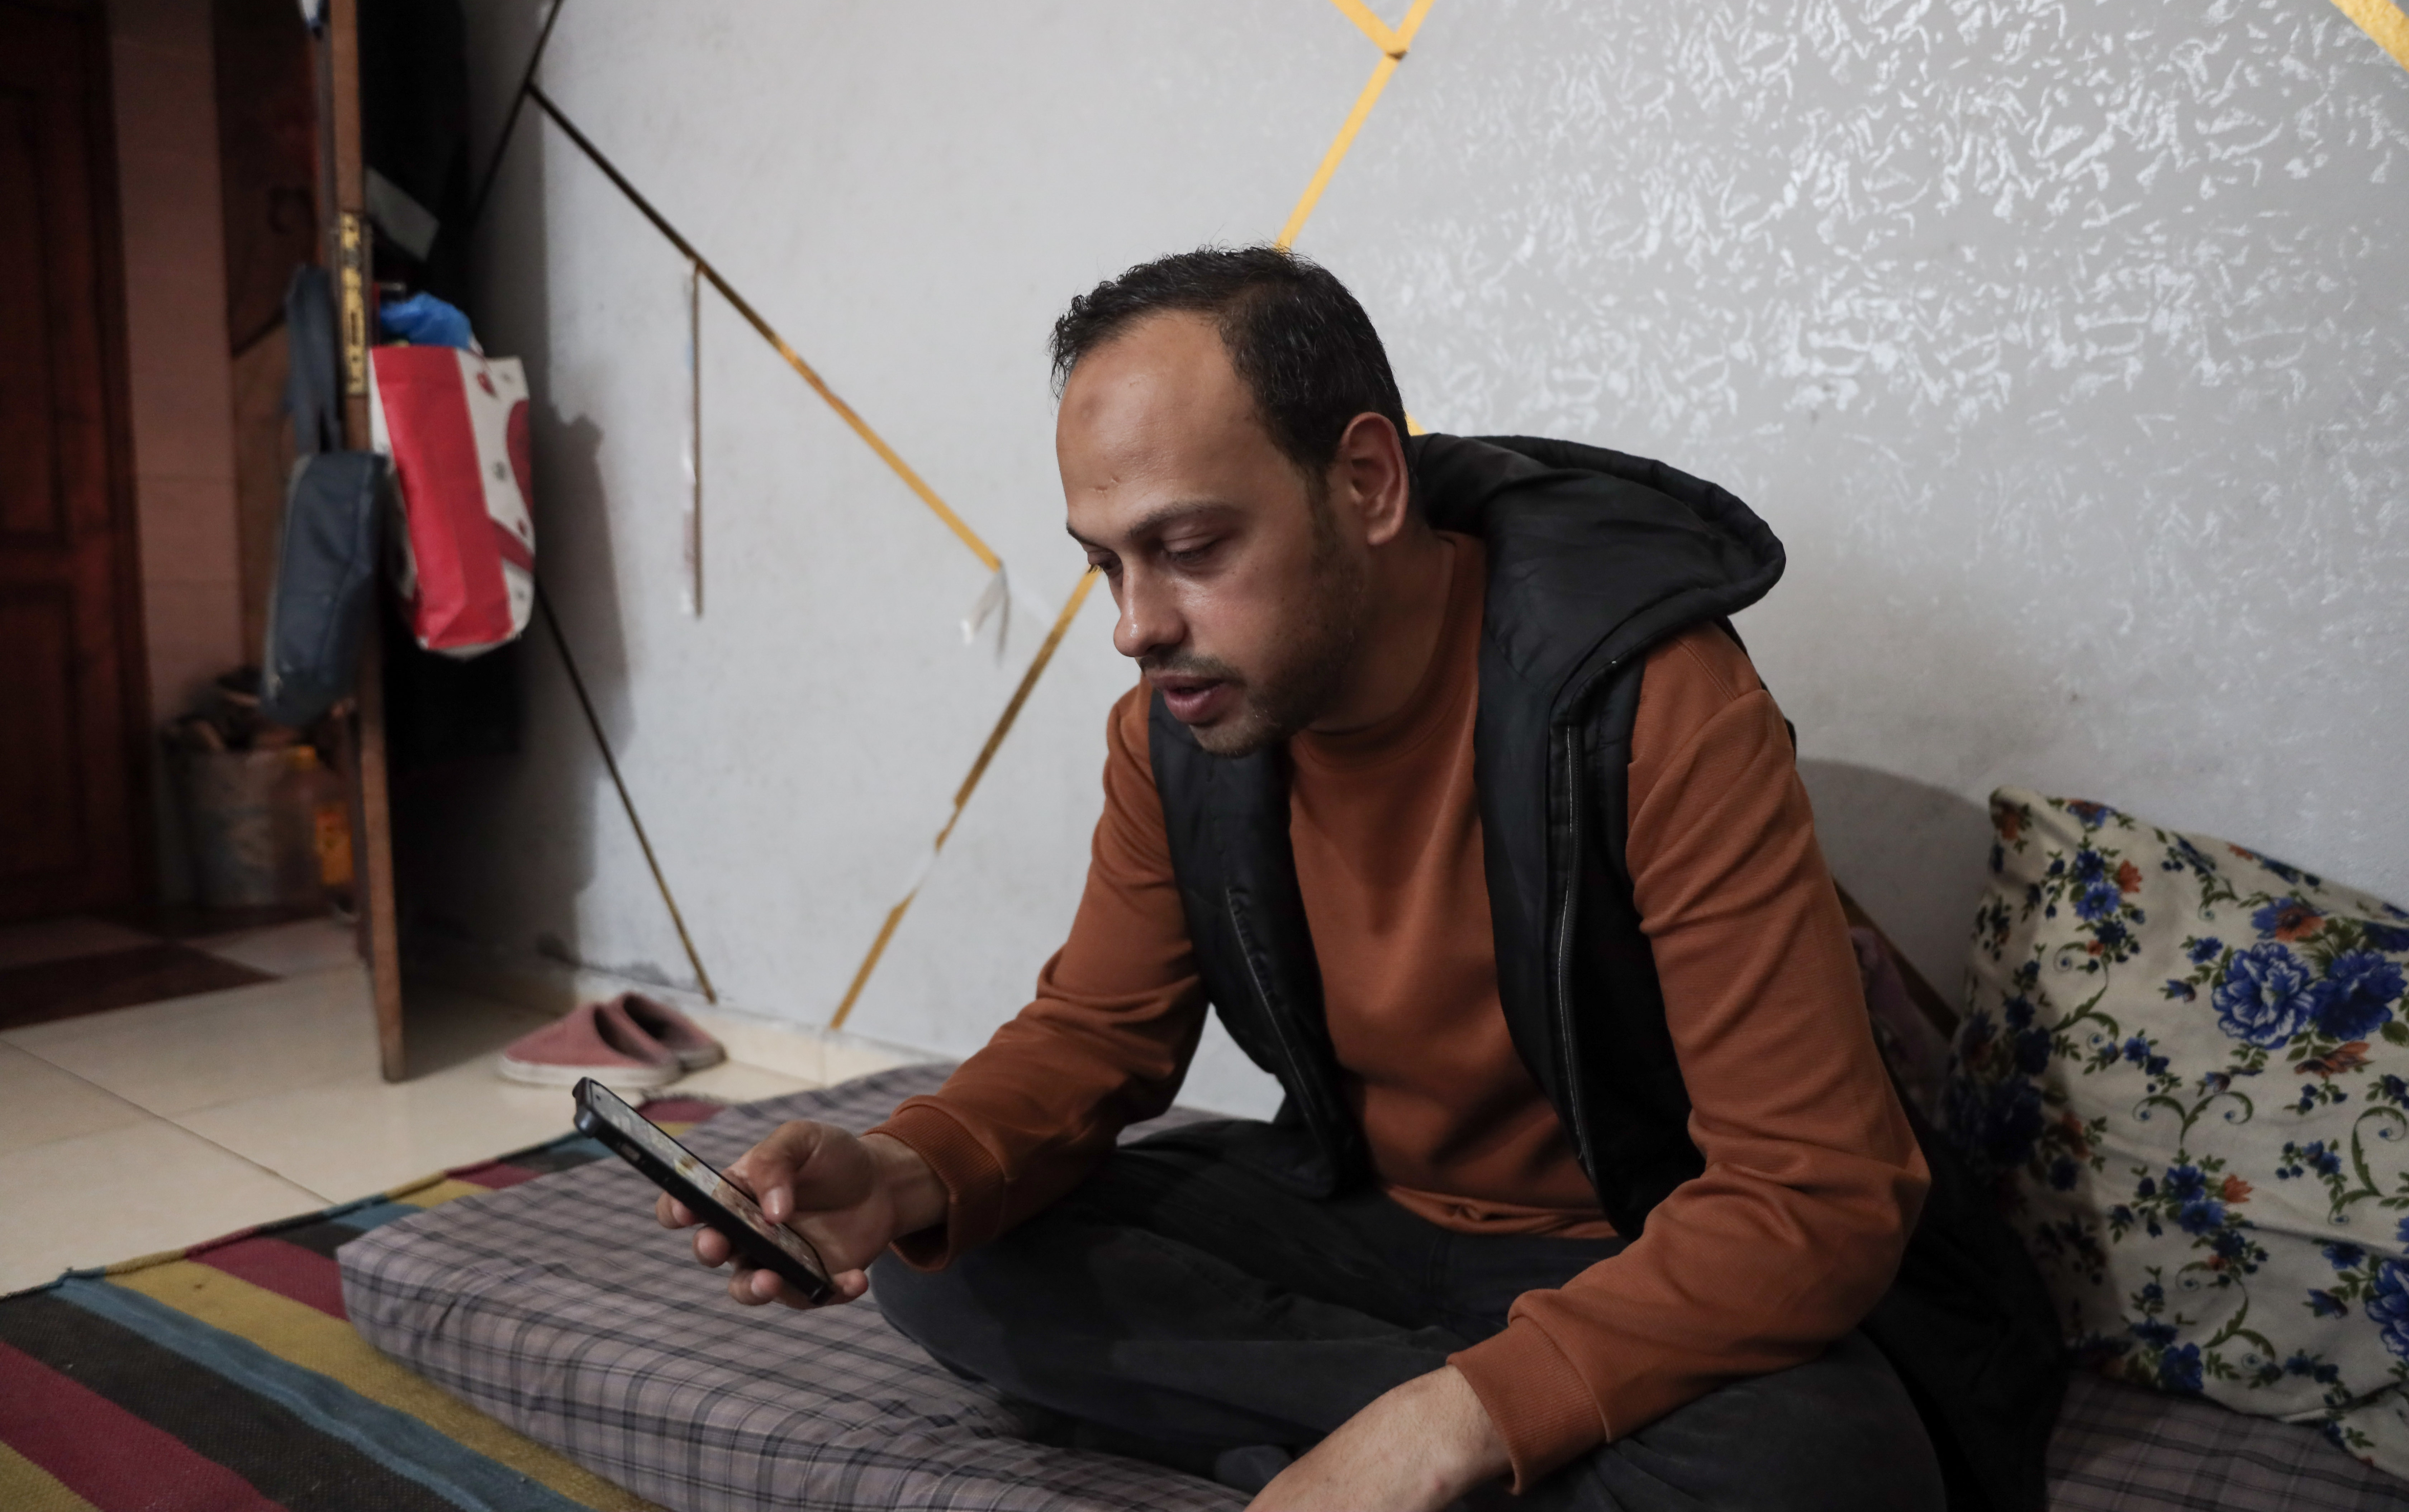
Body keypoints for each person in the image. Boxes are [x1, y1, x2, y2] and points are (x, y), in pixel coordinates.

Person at [654, 247, 2058, 1510]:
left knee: (1823, 1468)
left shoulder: (1652, 703)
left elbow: (1816, 1191)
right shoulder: (1180, 733)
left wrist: (1452, 1421)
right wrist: (903, 1168)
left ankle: (1397, 1440)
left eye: (1192, 549)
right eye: (1105, 566)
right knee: (943, 1255)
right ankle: (1467, 1442)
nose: (1139, 626)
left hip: (1632, 1248)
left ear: (1368, 483)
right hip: (1362, 1227)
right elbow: (1098, 1036)